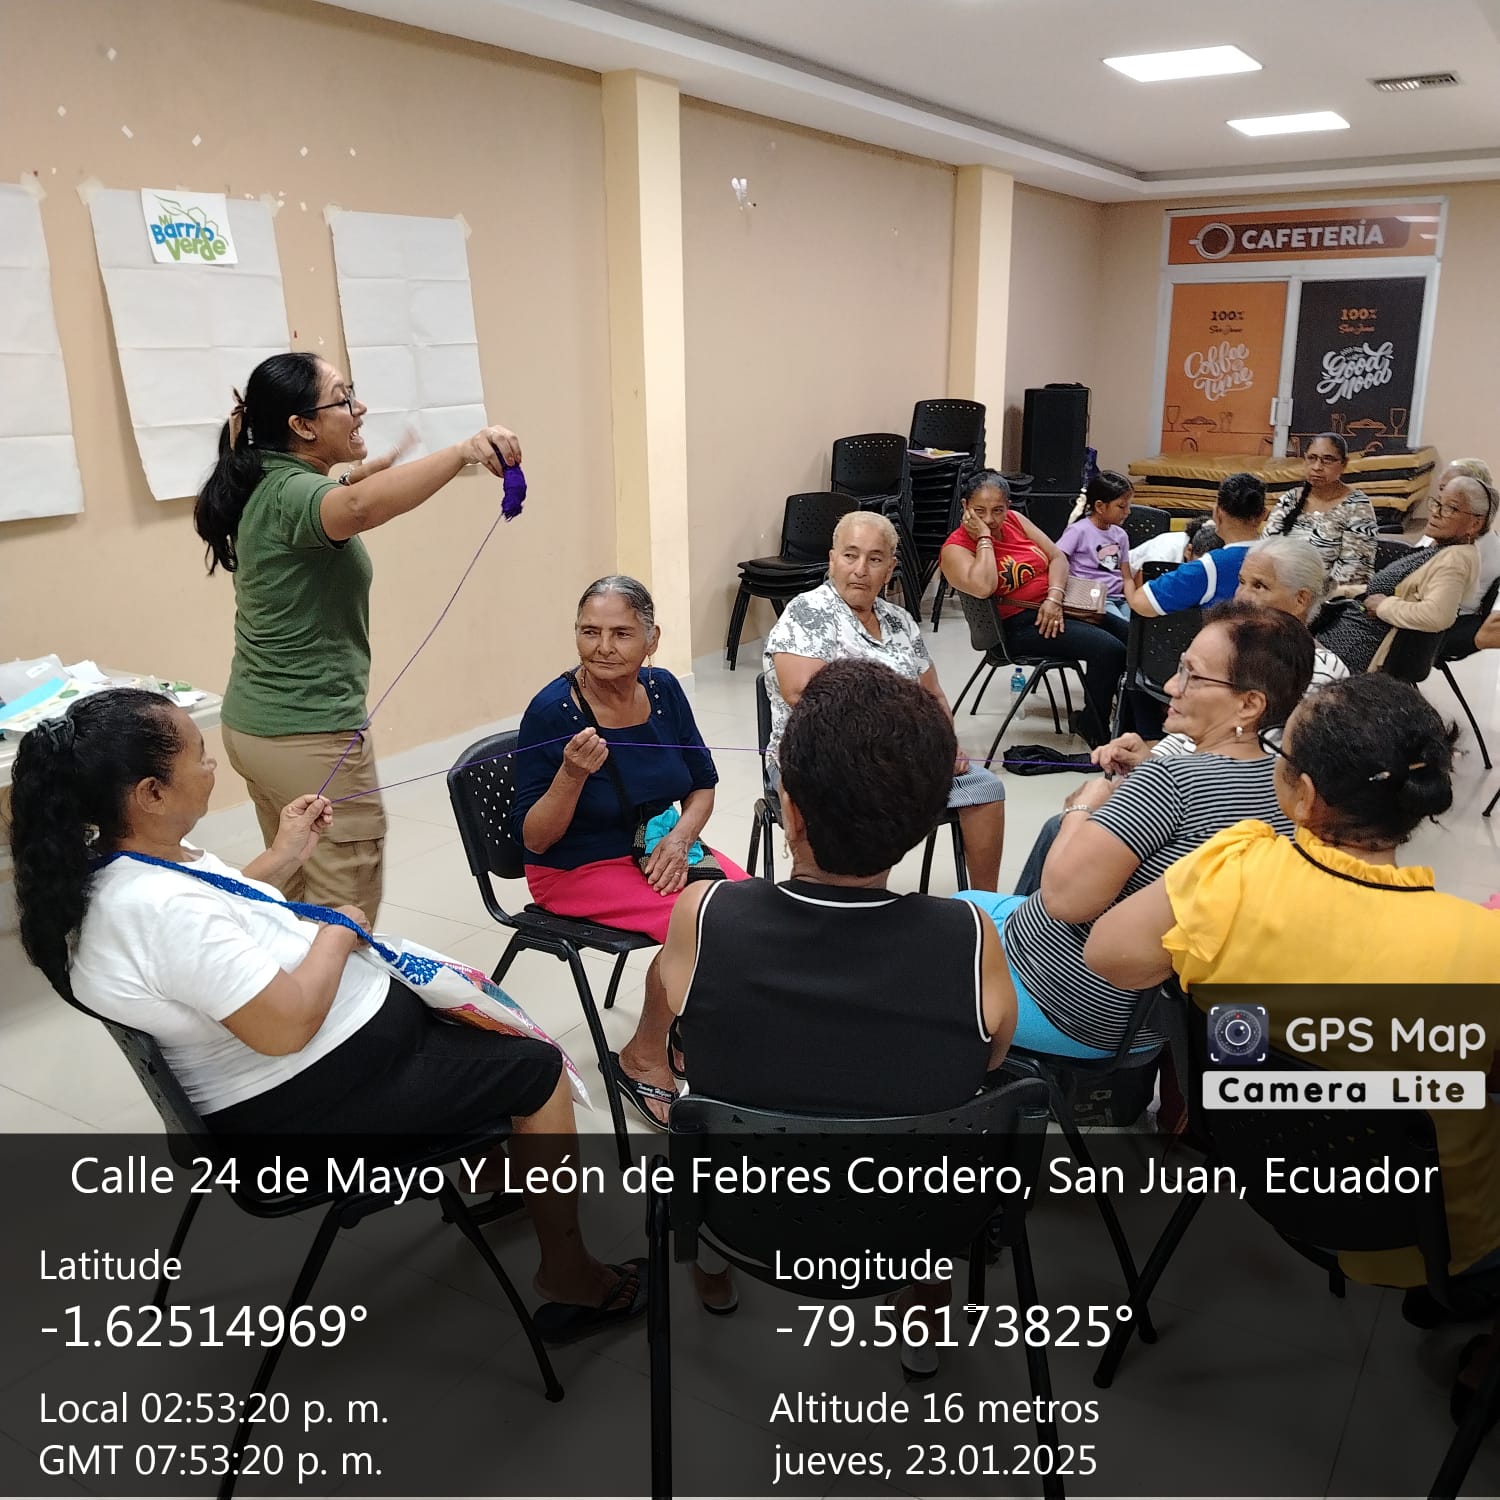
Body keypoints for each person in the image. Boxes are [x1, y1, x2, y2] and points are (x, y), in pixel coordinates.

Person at [8, 688, 645, 1343]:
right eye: (199, 756)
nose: (211, 766)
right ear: (151, 793)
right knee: (537, 1069)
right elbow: (284, 1028)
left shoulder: (122, 866)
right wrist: (337, 934)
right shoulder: (160, 910)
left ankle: (492, 1169)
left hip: (300, 1075)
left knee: (468, 1028)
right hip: (294, 1111)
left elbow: (219, 916)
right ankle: (569, 1273)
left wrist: (284, 855)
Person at [624, 660, 1016, 1358]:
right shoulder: (970, 936)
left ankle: (711, 1273)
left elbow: (678, 1007)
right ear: (925, 821)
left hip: (744, 1218)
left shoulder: (706, 913)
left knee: (706, 1128)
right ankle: (921, 1329)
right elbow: (989, 1062)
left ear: (792, 811)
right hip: (917, 1224)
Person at [1084, 673, 1500, 1309]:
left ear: (1303, 796)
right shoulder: (1481, 947)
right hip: (1429, 1233)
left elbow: (1109, 955)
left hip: (1256, 1167)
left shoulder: (1234, 870)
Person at [194, 352, 523, 921]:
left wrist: (360, 473)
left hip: (257, 729)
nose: (359, 407)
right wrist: (463, 452)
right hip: (307, 734)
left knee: (293, 898)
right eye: (343, 398)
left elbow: (340, 495)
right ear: (302, 426)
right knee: (344, 912)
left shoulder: (262, 474)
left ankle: (296, 980)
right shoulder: (294, 494)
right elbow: (358, 508)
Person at [960, 603, 1313, 1058]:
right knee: (969, 904)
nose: (1171, 686)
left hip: (1069, 1005)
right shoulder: (1287, 789)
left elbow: (1063, 900)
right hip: (1149, 1021)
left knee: (925, 946)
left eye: (1192, 676)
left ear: (1249, 703)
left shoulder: (1171, 782)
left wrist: (1083, 808)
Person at [513, 576, 748, 1125]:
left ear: (651, 639)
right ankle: (642, 1055)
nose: (603, 647)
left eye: (621, 633)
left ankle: (685, 1023)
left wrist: (682, 837)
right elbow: (535, 839)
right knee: (704, 924)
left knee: (749, 908)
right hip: (575, 865)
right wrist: (571, 775)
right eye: (589, 631)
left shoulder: (663, 690)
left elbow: (702, 785)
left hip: (657, 841)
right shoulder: (553, 712)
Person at [764, 511, 1007, 889]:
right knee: (865, 799)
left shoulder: (900, 621)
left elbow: (933, 694)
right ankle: (847, 905)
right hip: (824, 760)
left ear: (890, 569)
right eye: (850, 555)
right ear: (832, 559)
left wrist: (945, 745)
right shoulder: (807, 613)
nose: (860, 569)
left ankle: (984, 903)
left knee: (985, 788)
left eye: (875, 558)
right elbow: (804, 697)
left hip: (902, 761)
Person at [940, 470, 1127, 747]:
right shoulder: (955, 548)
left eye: (998, 510)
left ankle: (1132, 722)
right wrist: (984, 538)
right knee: (1110, 650)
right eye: (980, 511)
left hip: (1055, 607)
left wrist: (1054, 597)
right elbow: (983, 586)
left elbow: (1057, 557)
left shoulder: (1016, 520)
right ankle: (1093, 725)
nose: (990, 519)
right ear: (965, 506)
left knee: (1132, 637)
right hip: (1015, 627)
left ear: (1008, 506)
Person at [1317, 473, 1492, 674]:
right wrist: (1342, 591)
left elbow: (1437, 616)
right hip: (1348, 632)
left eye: (1450, 508)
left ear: (1475, 524)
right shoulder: (1441, 547)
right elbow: (1390, 590)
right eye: (1437, 503)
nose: (1436, 513)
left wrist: (1383, 606)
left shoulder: (1456, 559)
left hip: (1357, 650)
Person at [1121, 472, 1266, 617]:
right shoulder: (1278, 557)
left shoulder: (1210, 567)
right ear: (1263, 515)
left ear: (1217, 512)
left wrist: (1128, 579)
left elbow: (1140, 602)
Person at [1262, 432, 1378, 592]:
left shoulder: (1357, 506)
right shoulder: (1290, 499)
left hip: (1332, 597)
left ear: (1344, 464)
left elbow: (1353, 572)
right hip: (1281, 591)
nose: (1317, 467)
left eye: (1327, 460)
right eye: (1312, 458)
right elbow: (1265, 549)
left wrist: (1307, 598)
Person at [1421, 458, 1500, 655]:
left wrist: (1383, 606)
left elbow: (1429, 609)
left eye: (1452, 505)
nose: (1439, 504)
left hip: (1432, 625)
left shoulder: (1465, 552)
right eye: (1442, 490)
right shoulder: (1444, 532)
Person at [1056, 471, 1133, 620]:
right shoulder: (1078, 531)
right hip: (1092, 599)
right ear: (1100, 506)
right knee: (1125, 627)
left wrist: (1134, 601)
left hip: (1118, 598)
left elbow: (1127, 577)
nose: (1128, 512)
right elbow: (1057, 559)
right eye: (1122, 506)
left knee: (1139, 627)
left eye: (1128, 506)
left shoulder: (1121, 535)